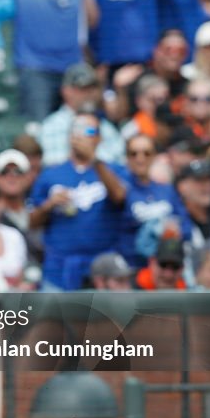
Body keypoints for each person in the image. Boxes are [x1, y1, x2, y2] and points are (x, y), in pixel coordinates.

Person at [29, 112, 128, 290]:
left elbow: (120, 196)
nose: (80, 134)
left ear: (99, 138)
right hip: (59, 268)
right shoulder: (50, 174)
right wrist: (49, 205)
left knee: (104, 318)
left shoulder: (113, 170)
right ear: (69, 136)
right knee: (53, 318)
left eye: (88, 130)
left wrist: (94, 160)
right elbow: (33, 222)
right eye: (76, 129)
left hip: (103, 269)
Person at [118, 135, 192, 268]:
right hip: (134, 267)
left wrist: (176, 230)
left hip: (166, 266)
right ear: (127, 158)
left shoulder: (166, 190)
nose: (140, 159)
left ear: (154, 156)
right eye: (134, 154)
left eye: (146, 153)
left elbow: (186, 227)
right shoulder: (121, 191)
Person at [38, 63, 124, 166]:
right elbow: (50, 168)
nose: (89, 93)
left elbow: (119, 169)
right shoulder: (50, 126)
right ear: (65, 91)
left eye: (92, 88)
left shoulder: (107, 128)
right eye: (82, 88)